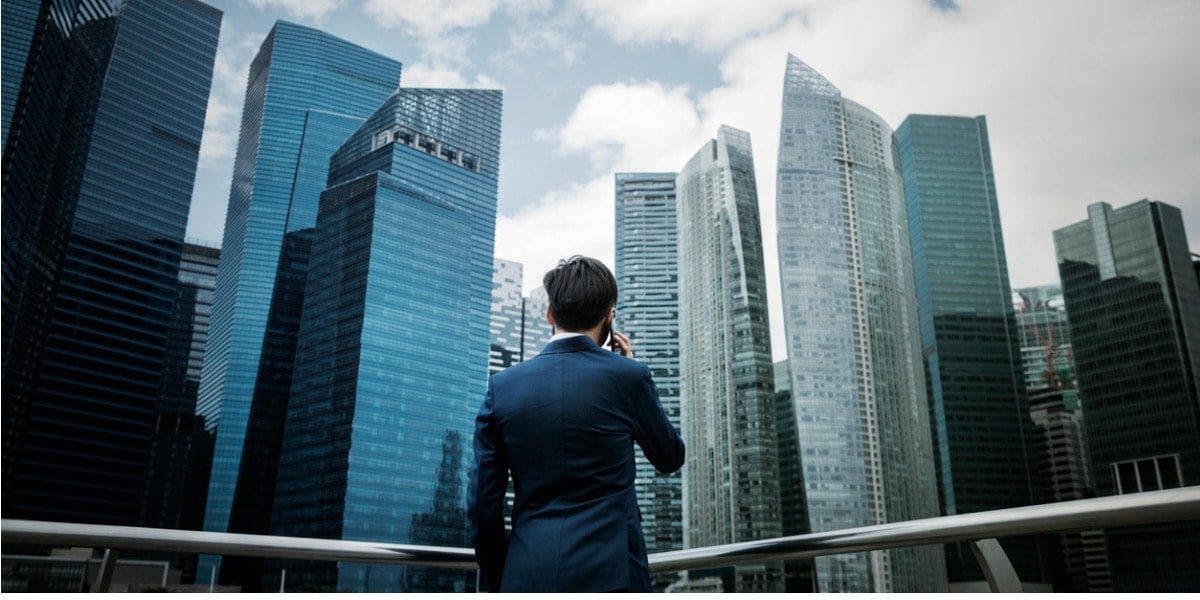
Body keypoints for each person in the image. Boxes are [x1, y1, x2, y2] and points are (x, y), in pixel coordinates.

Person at [468, 255, 686, 592]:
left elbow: (484, 503)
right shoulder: (629, 378)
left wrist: (503, 572)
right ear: (608, 316)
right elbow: (669, 457)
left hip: (526, 575)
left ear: (549, 314)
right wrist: (632, 374)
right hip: (615, 577)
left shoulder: (502, 388)